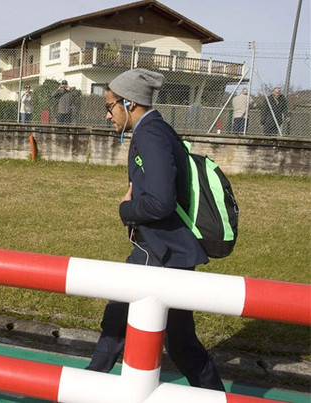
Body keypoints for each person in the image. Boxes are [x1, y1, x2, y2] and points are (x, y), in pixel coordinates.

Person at [85, 68, 225, 392]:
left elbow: (161, 202)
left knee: (117, 324)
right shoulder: (157, 130)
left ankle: (82, 390)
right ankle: (217, 397)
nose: (107, 115)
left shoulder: (150, 134)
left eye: (109, 106)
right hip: (168, 249)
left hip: (159, 251)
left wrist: (125, 209)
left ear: (130, 103)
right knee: (180, 342)